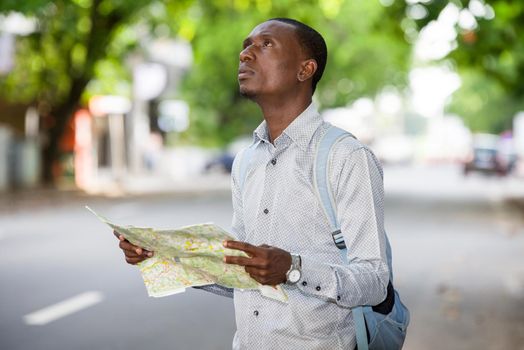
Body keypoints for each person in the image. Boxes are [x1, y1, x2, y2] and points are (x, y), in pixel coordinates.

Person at [116, 18, 391, 349]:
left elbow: (375, 280)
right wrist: (164, 256)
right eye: (246, 45)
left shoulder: (346, 157)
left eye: (266, 45)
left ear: (305, 69)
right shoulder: (247, 162)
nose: (246, 54)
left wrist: (294, 269)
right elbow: (243, 275)